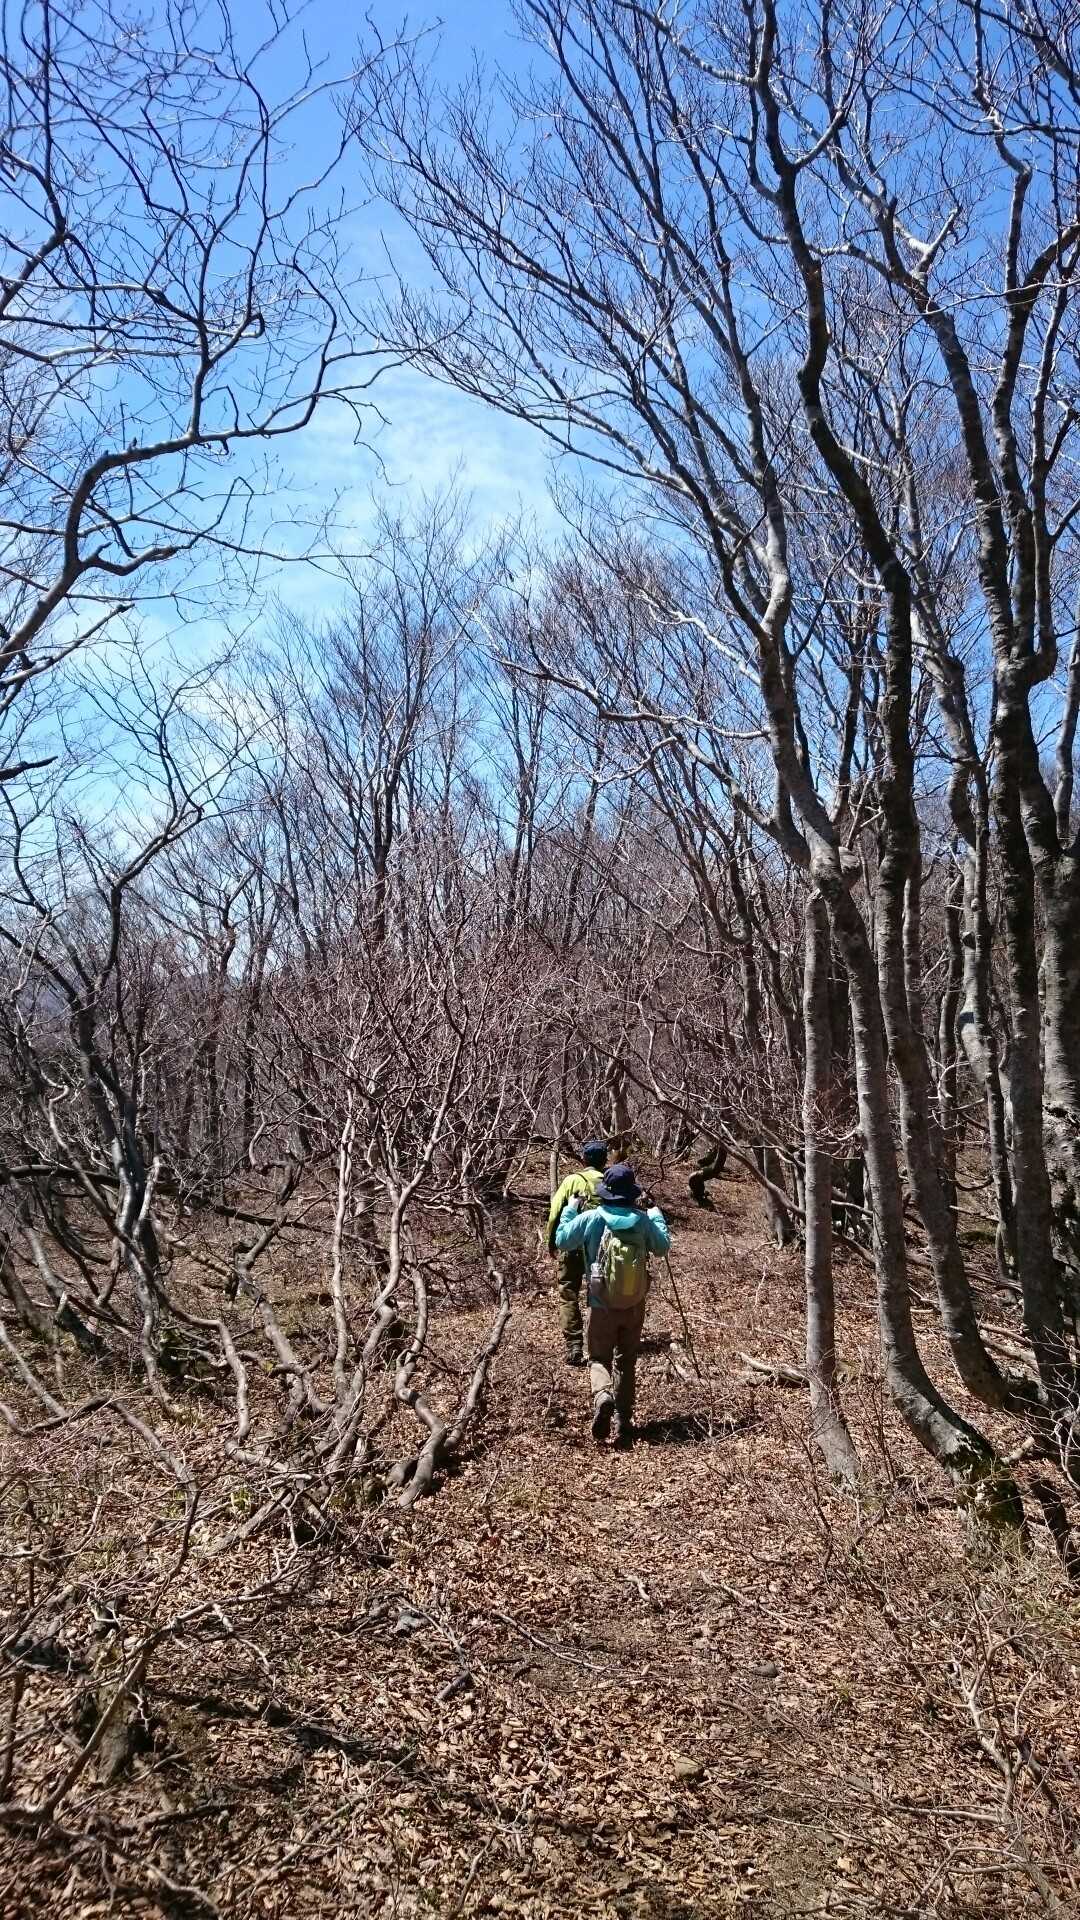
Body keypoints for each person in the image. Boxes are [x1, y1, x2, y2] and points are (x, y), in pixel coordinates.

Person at [555, 1162, 670, 1447]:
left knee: (598, 1358)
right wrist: (655, 1213)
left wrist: (571, 1208)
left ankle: (603, 1395)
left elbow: (562, 1240)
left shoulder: (592, 1217)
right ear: (631, 1193)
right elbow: (662, 1247)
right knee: (626, 1361)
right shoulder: (641, 1220)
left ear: (605, 1192)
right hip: (634, 1304)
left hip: (600, 1303)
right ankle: (624, 1420)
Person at [546, 1140, 608, 1366]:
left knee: (568, 1291)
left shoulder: (572, 1180)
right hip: (599, 1248)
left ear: (583, 1159)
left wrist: (552, 1242)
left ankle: (574, 1346)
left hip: (572, 1245)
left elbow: (555, 1211)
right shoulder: (609, 1182)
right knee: (598, 1293)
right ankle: (599, 1345)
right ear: (604, 1160)